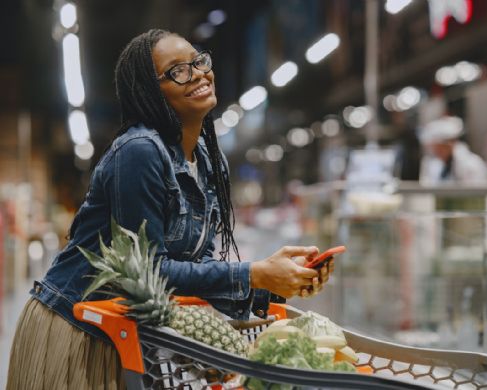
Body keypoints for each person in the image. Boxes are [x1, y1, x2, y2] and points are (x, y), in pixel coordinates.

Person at [7, 29, 332, 389]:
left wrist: (275, 282)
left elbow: (197, 262)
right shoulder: (139, 152)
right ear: (150, 90)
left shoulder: (209, 161)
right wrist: (253, 273)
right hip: (79, 328)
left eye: (198, 61)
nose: (198, 74)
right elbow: (150, 268)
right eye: (177, 70)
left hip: (130, 335)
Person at [419, 116, 487, 184]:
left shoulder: (472, 165)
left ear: (449, 144)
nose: (435, 151)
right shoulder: (434, 164)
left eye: (438, 147)